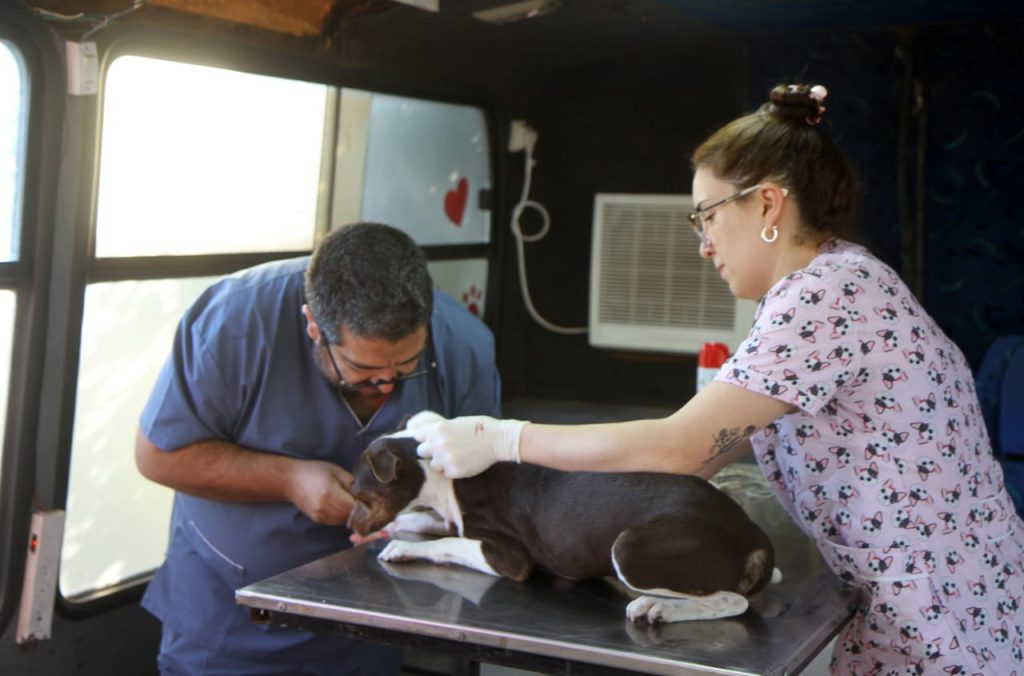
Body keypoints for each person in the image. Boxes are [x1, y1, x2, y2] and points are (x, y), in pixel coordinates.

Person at [410, 85, 1024, 674]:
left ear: (766, 204)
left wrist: (502, 437)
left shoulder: (827, 296)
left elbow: (677, 444)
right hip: (933, 596)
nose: (703, 245)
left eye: (705, 216)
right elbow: (695, 459)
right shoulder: (828, 285)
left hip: (943, 614)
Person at [135, 222, 501, 675]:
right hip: (228, 619)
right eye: (362, 367)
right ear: (312, 324)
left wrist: (417, 523)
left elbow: (484, 486)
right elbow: (158, 454)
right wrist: (289, 479)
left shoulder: (465, 346)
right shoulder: (233, 322)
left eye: (406, 365)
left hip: (369, 621)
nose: (385, 383)